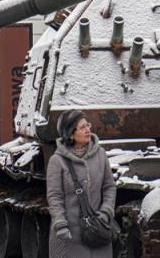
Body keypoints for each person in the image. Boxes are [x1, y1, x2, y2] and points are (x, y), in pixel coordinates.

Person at [46, 110, 117, 257]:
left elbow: (109, 187)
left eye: (88, 125)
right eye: (82, 127)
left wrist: (106, 212)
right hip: (69, 236)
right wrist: (60, 224)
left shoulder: (100, 155)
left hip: (98, 232)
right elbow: (54, 196)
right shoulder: (57, 161)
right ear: (70, 134)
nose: (88, 130)